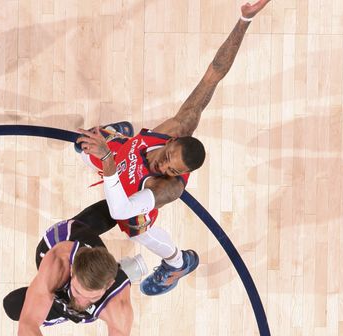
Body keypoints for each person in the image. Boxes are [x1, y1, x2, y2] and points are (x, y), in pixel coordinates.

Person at [75, 0, 271, 295]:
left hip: (132, 202)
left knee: (136, 229)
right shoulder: (178, 126)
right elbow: (215, 72)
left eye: (171, 169)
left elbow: (119, 209)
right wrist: (244, 20)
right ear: (173, 140)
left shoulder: (167, 187)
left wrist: (107, 162)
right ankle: (120, 136)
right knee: (83, 145)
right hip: (121, 159)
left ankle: (178, 263)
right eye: (167, 157)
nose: (163, 166)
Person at [3, 204, 162, 336]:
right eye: (78, 290)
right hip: (60, 238)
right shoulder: (57, 262)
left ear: (106, 287)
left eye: (91, 296)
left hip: (97, 263)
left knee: (80, 311)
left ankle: (121, 266)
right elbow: (26, 327)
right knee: (13, 307)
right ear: (72, 272)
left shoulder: (118, 307)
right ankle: (114, 227)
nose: (81, 300)